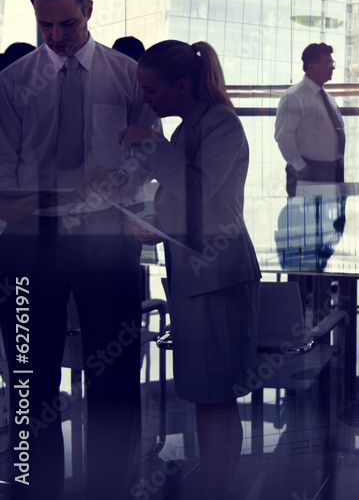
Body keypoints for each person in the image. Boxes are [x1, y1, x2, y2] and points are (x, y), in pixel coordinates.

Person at [0, 0, 159, 500]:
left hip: (105, 236)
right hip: (29, 244)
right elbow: (3, 167)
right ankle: (31, 487)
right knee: (28, 376)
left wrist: (117, 176)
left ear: (89, 9)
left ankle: (113, 489)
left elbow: (145, 152)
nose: (57, 36)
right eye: (45, 25)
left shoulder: (126, 75)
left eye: (66, 23)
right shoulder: (13, 81)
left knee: (113, 374)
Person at [119, 40, 261, 500]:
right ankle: (215, 490)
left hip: (218, 276)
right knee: (206, 395)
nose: (146, 100)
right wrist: (157, 224)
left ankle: (219, 491)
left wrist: (155, 146)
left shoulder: (221, 125)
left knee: (217, 398)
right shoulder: (188, 130)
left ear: (181, 85)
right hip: (197, 275)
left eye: (151, 89)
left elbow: (200, 193)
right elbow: (194, 204)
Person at [275, 42, 346, 198]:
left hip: (332, 170)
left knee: (331, 220)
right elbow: (283, 135)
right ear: (311, 66)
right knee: (305, 220)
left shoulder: (326, 96)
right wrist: (300, 166)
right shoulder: (294, 96)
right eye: (327, 63)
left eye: (332, 62)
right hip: (308, 171)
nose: (332, 67)